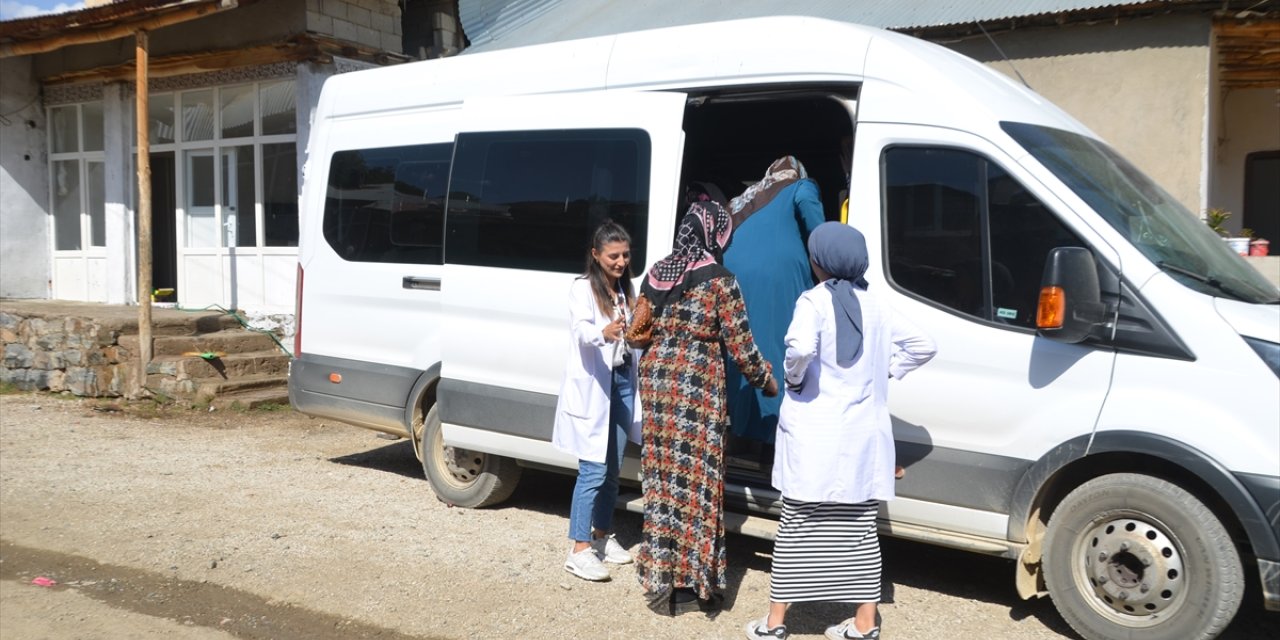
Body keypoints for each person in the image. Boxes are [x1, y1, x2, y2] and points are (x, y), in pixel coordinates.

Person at [744, 222, 937, 640]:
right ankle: (865, 624)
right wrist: (885, 370)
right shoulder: (878, 306)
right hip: (863, 439)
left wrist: (795, 380)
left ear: (819, 261)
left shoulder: (812, 302)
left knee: (797, 527)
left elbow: (797, 349)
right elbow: (924, 345)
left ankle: (776, 624)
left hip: (815, 434)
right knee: (860, 531)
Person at [634, 201, 779, 614]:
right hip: (696, 392)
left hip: (657, 386)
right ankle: (695, 582)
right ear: (717, 234)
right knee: (699, 485)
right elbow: (742, 347)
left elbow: (637, 332)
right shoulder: (720, 280)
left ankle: (662, 579)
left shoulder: (657, 272)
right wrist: (767, 382)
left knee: (662, 481)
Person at [552, 220, 642, 582]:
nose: (620, 262)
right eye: (613, 256)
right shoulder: (583, 289)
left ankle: (602, 537)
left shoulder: (624, 290)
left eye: (625, 255)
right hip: (594, 385)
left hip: (620, 380)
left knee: (612, 467)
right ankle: (579, 548)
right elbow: (581, 330)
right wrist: (602, 333)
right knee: (592, 469)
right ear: (595, 255)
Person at [722, 156, 826, 456]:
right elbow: (817, 229)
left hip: (733, 278)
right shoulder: (800, 186)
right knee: (778, 350)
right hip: (777, 279)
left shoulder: (744, 198)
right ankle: (772, 441)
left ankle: (740, 433)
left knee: (743, 350)